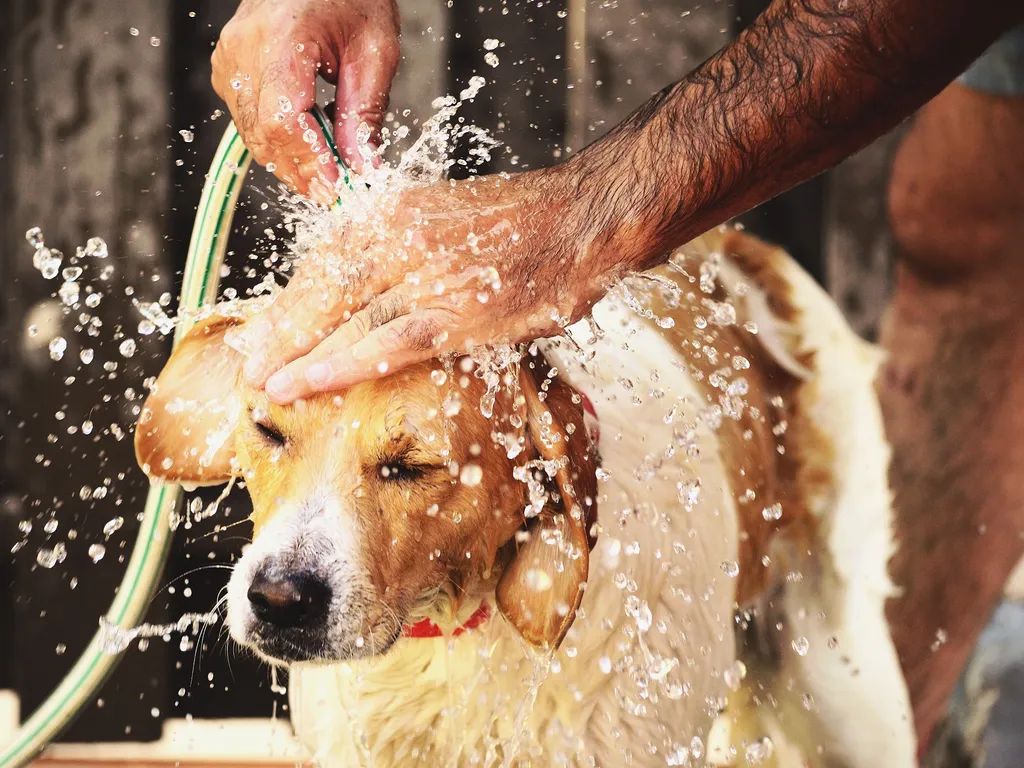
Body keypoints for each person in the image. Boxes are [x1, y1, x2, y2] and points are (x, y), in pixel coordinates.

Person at [211, 0, 1024, 759]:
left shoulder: (566, 471)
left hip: (778, 354)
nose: (282, 579)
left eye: (409, 465)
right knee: (962, 221)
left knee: (835, 722)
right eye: (274, 431)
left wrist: (591, 215)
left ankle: (951, 695)